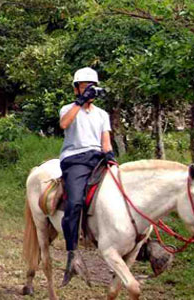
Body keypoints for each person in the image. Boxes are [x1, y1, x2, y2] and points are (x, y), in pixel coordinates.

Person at [58, 67, 115, 286]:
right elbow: (64, 124)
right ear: (76, 89)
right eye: (85, 86)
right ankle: (72, 251)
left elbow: (105, 141)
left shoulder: (102, 115)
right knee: (74, 203)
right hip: (75, 158)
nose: (90, 90)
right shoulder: (68, 108)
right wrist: (80, 102)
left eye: (92, 86)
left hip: (98, 157)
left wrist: (110, 158)